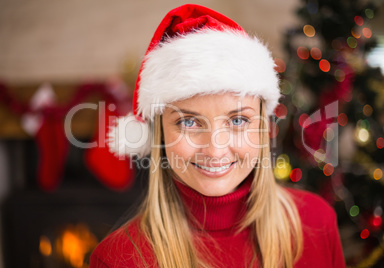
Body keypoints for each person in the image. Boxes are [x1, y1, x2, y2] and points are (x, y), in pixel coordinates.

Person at [90, 4, 345, 268]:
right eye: (189, 122)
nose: (215, 150)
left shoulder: (316, 223)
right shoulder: (116, 259)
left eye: (237, 120)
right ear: (159, 135)